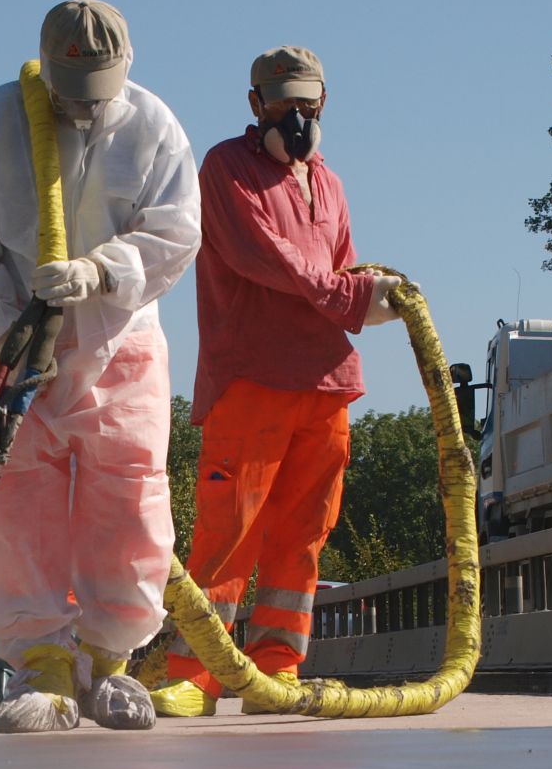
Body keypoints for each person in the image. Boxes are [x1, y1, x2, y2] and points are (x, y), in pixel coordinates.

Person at [0, 0, 200, 733]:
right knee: (14, 501)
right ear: (45, 72)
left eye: (97, 92)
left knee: (130, 498)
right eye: (71, 92)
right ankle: (42, 666)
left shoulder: (152, 126)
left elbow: (176, 232)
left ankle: (108, 662)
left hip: (120, 342)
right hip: (13, 341)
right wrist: (8, 326)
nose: (83, 108)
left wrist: (103, 271)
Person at [150, 45, 405, 717]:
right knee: (228, 531)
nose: (297, 118)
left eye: (309, 106)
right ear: (255, 103)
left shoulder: (331, 183)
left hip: (326, 381)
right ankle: (196, 675)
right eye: (285, 104)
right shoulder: (226, 169)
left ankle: (276, 669)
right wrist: (354, 300)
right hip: (251, 378)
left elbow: (342, 268)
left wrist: (371, 292)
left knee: (303, 534)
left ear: (324, 105)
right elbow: (271, 258)